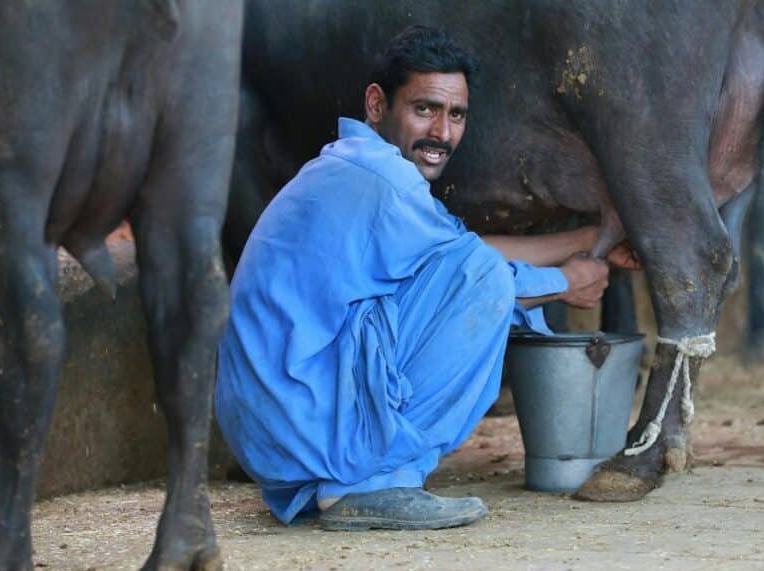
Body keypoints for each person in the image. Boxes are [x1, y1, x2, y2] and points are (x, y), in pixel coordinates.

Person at [216, 26, 636, 531]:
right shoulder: (383, 180)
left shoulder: (355, 166)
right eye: (425, 109)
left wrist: (586, 240)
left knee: (477, 275)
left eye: (455, 114)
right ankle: (369, 485)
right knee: (489, 284)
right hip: (298, 410)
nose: (442, 132)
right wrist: (564, 284)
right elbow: (477, 272)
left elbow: (463, 254)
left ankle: (344, 483)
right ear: (377, 104)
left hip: (274, 426)